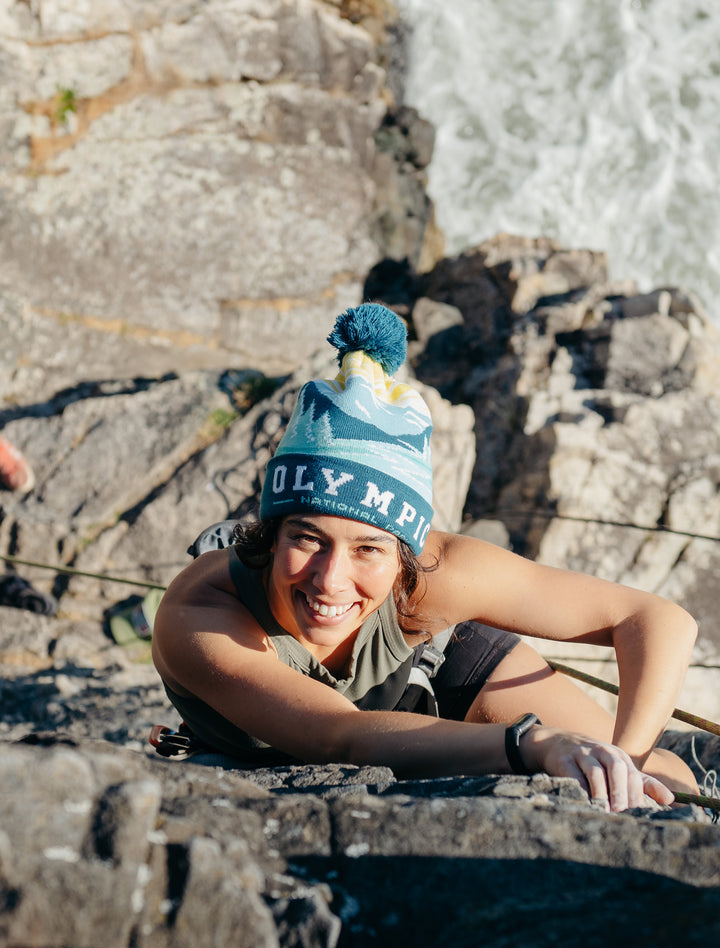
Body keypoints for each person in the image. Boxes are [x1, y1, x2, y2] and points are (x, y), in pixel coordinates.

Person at [152, 303, 698, 812]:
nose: (331, 580)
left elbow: (655, 620)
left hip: (436, 665)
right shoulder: (200, 615)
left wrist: (627, 763)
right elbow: (336, 736)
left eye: (369, 548)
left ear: (404, 557)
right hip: (351, 728)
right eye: (308, 539)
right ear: (270, 535)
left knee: (670, 784)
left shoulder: (437, 574)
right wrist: (531, 745)